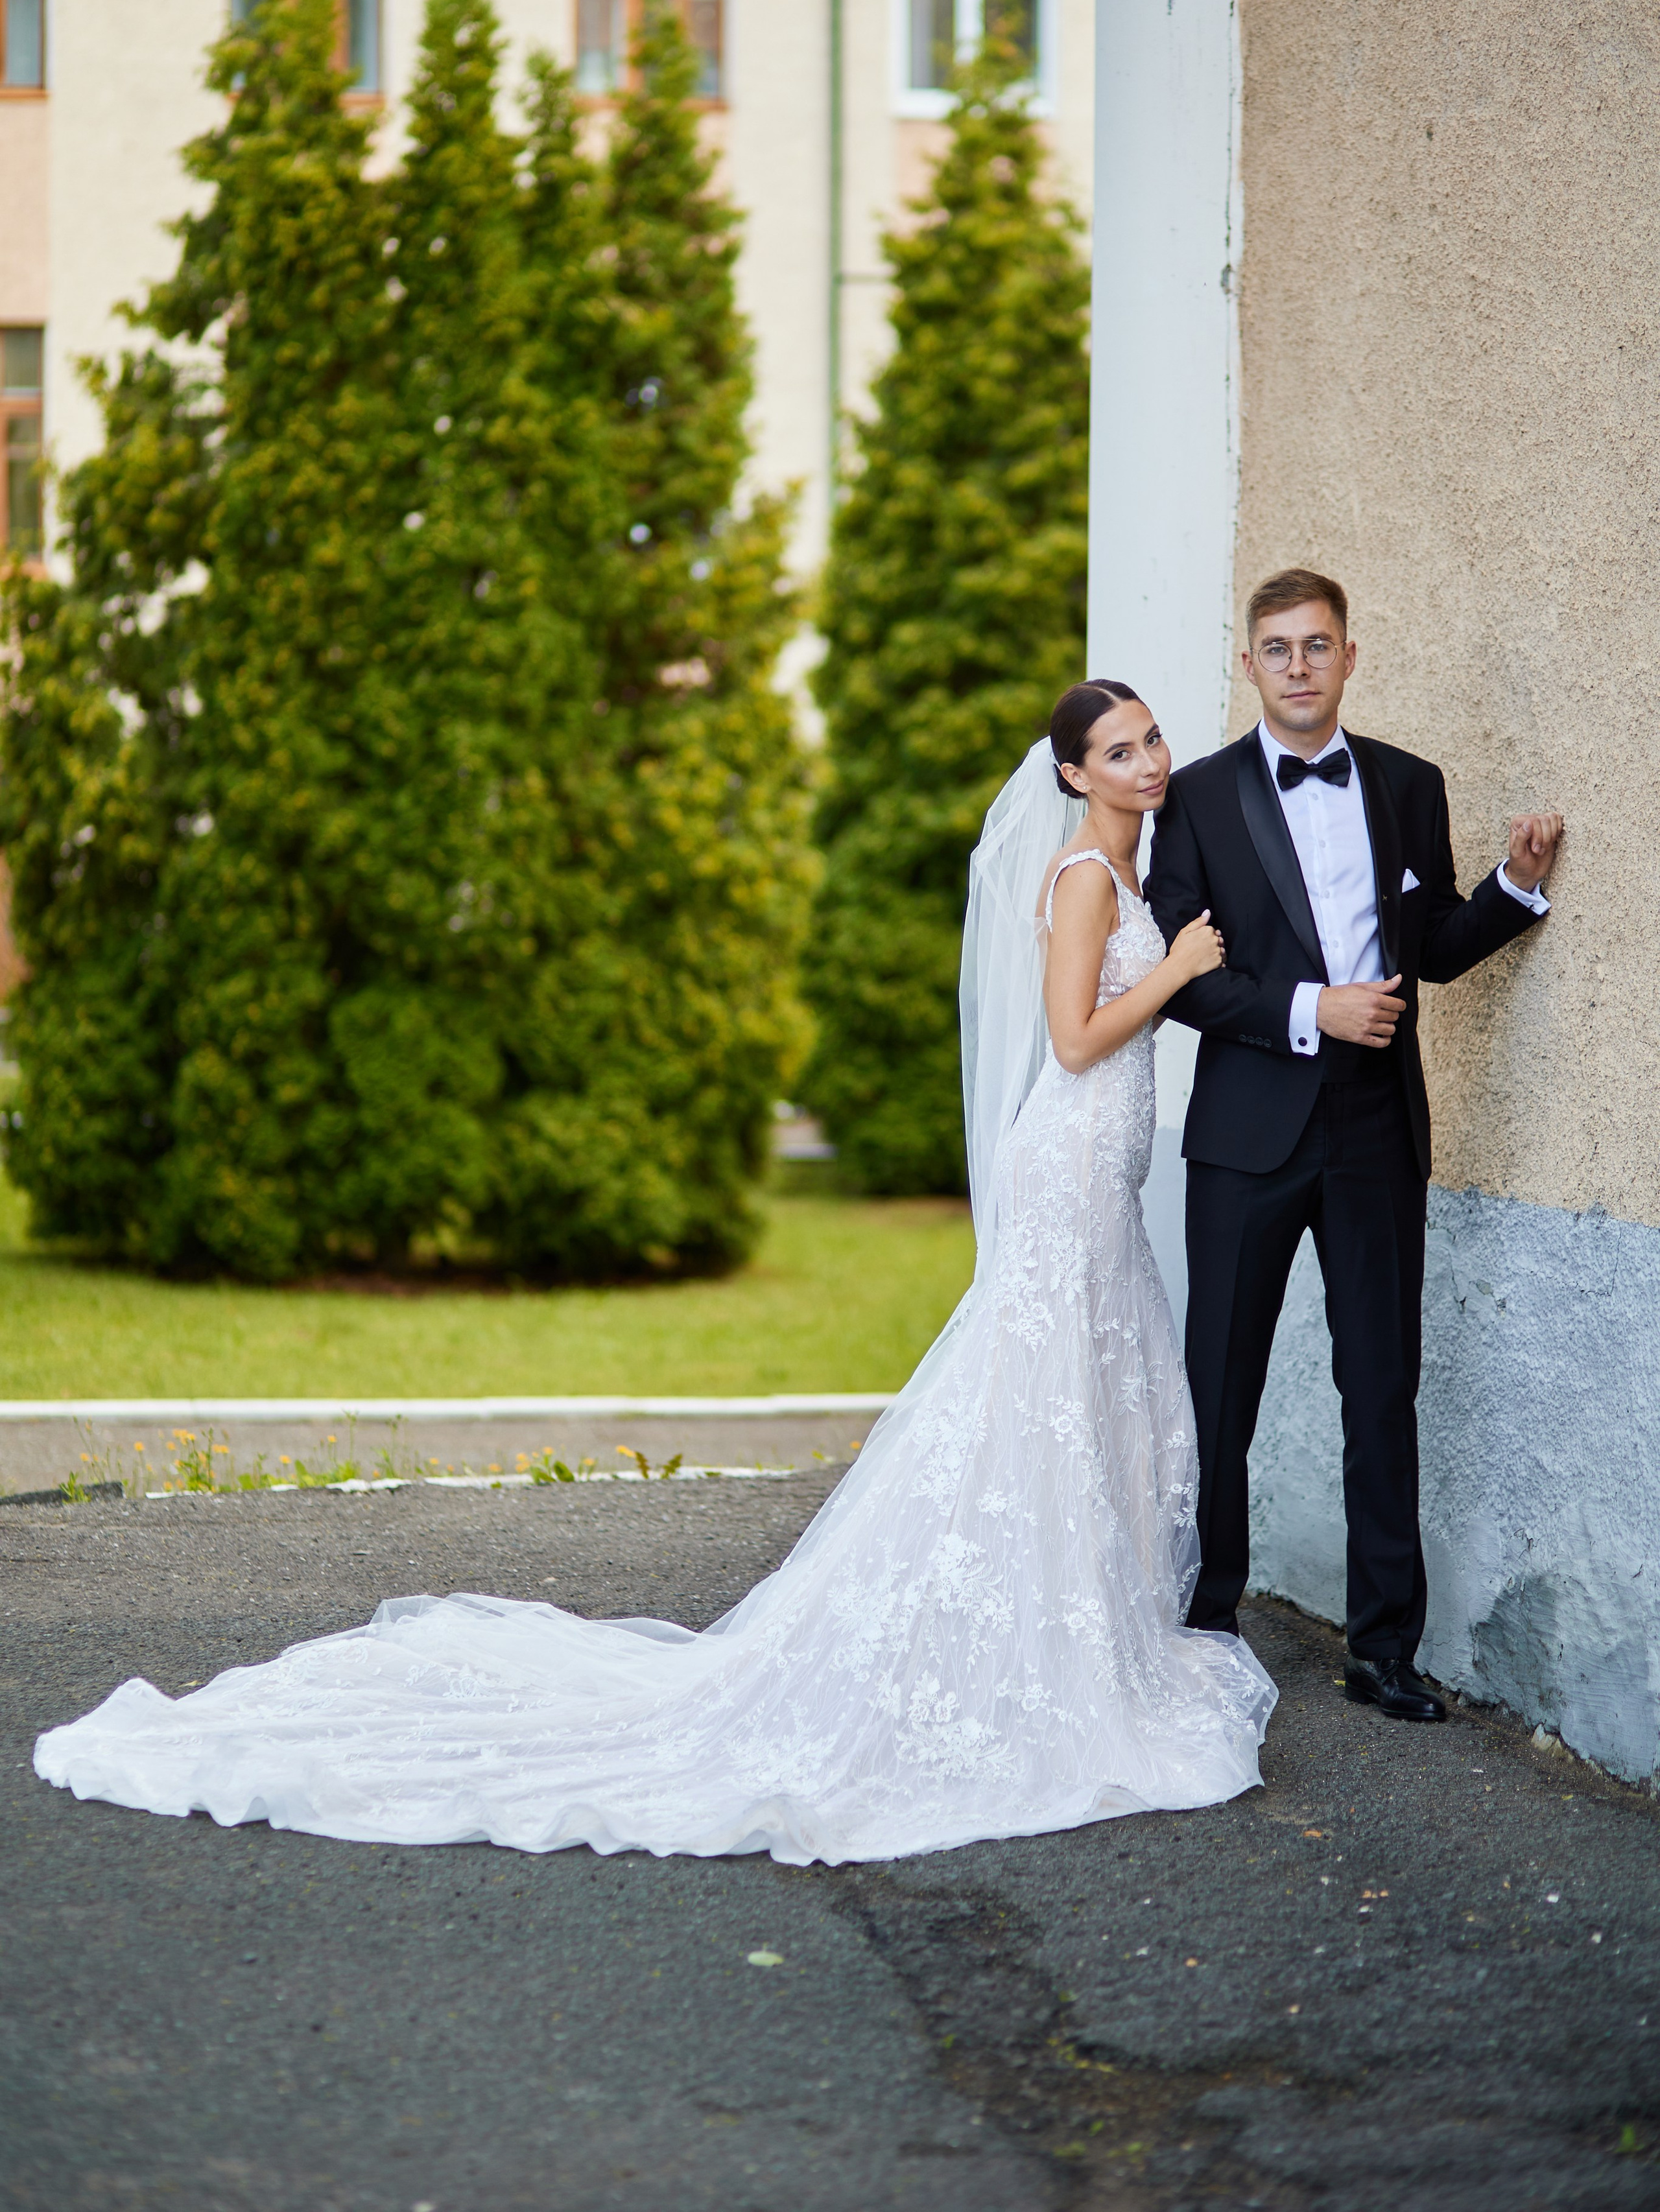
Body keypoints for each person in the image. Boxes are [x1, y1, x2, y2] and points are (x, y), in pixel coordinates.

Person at [36, 683, 1275, 1865]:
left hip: (1105, 1176)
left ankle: (1075, 1628)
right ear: (1072, 775)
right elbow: (1072, 1042)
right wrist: (1174, 973)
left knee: (1078, 1393)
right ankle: (1026, 1641)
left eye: (1152, 740)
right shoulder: (1082, 877)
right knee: (1038, 1395)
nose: (1148, 763)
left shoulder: (1134, 870)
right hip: (1067, 1170)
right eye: (1119, 751)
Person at [1146, 568, 1562, 1723]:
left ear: (1349, 655)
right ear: (1249, 664)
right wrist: (1308, 1009)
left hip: (1377, 1126)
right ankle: (1206, 1629)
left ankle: (1383, 1651)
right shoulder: (1196, 798)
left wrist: (1514, 889)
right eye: (1277, 648)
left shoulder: (1409, 784)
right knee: (1220, 1387)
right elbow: (1184, 977)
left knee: (1380, 1389)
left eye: (1317, 645)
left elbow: (1433, 947)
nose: (1299, 666)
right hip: (1246, 1135)